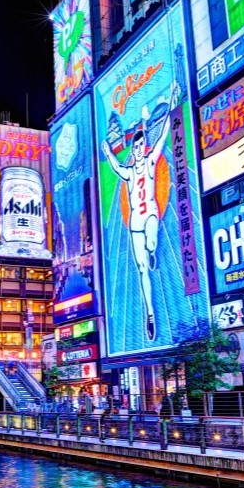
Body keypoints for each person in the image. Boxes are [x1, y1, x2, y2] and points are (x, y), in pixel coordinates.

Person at [101, 104, 171, 341]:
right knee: (142, 270)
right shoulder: (130, 171)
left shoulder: (151, 162)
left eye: (142, 145)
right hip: (134, 223)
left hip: (150, 213)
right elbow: (117, 168)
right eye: (136, 146)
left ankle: (153, 250)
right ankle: (150, 314)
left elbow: (162, 137)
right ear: (133, 149)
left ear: (145, 147)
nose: (139, 149)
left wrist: (172, 109)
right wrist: (109, 152)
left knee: (152, 238)